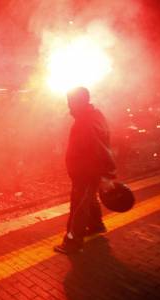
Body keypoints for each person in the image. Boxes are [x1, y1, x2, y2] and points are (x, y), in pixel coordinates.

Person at [54, 87, 116, 254]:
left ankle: (73, 243)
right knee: (89, 199)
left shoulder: (86, 122)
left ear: (78, 102)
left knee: (78, 206)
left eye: (70, 103)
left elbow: (100, 149)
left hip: (86, 172)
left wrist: (107, 175)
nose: (69, 107)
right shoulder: (95, 116)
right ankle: (96, 225)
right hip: (89, 171)